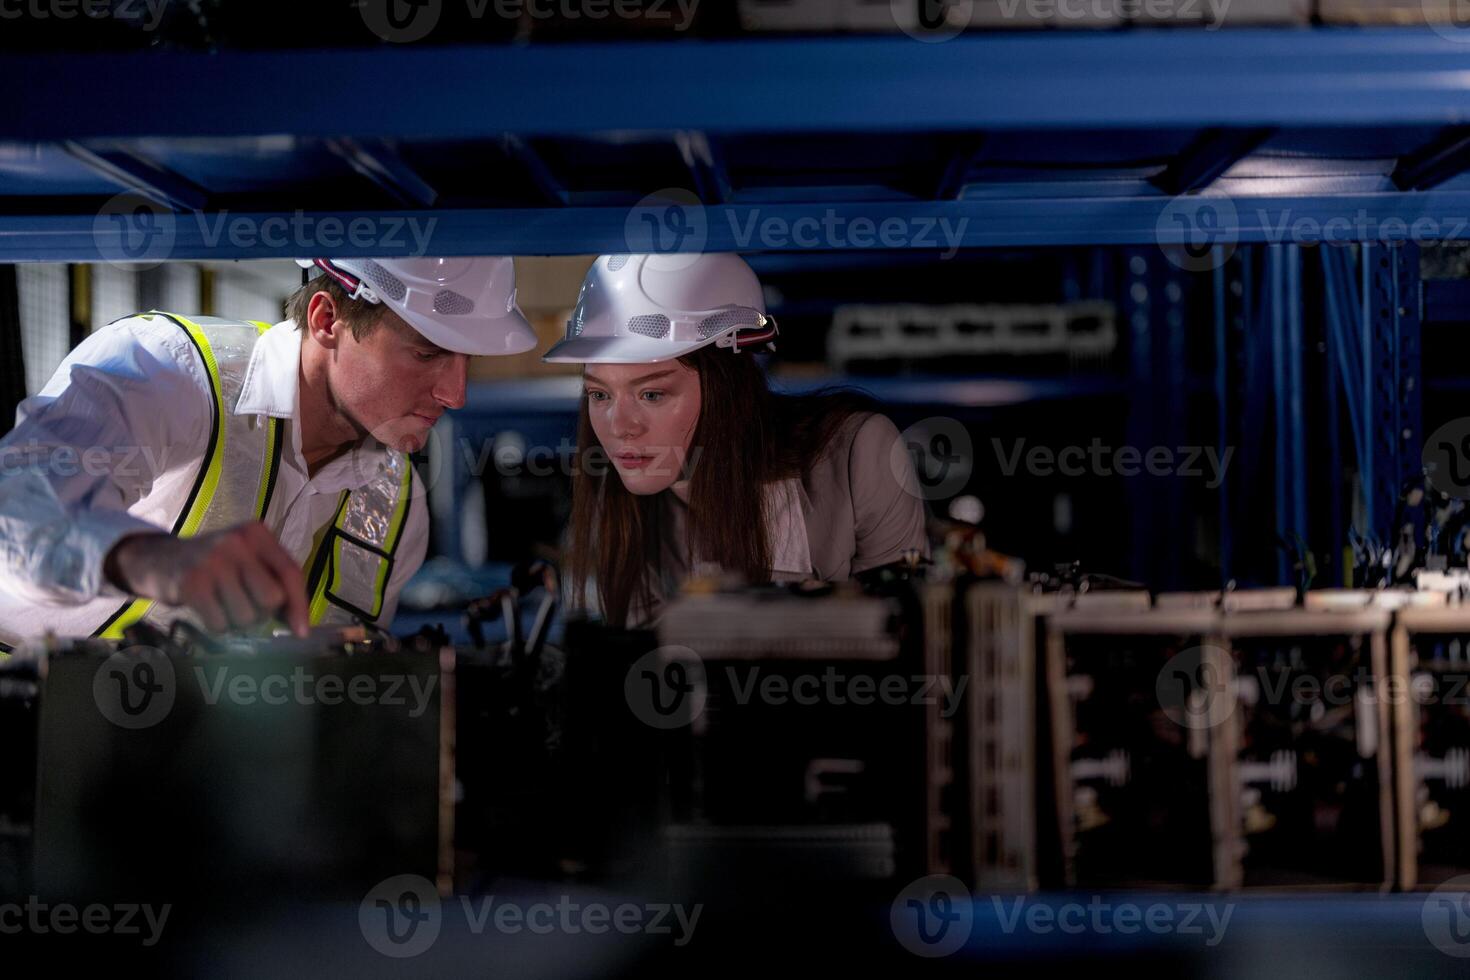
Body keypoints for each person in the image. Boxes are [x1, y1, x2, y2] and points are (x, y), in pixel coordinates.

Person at [0, 256, 537, 652]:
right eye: (427, 353)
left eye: (468, 360)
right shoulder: (168, 371)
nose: (456, 394)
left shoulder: (399, 508)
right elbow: (18, 510)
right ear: (329, 321)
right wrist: (153, 560)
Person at [543, 252, 929, 628]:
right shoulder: (611, 516)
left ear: (729, 386)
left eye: (652, 394)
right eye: (599, 395)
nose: (619, 425)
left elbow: (911, 642)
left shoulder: (856, 456)